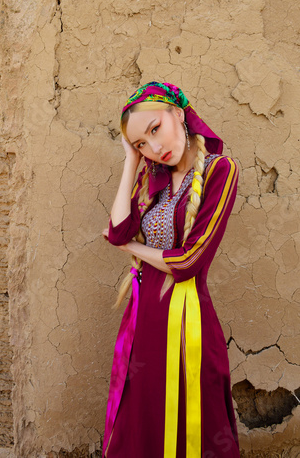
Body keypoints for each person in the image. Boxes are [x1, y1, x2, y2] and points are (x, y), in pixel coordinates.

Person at [102, 82, 240, 458]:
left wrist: (131, 247)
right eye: (142, 143)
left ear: (178, 114)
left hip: (186, 320)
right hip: (143, 319)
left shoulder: (220, 170)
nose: (154, 147)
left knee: (194, 419)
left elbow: (189, 261)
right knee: (142, 417)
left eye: (154, 129)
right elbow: (117, 228)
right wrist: (131, 162)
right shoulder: (152, 178)